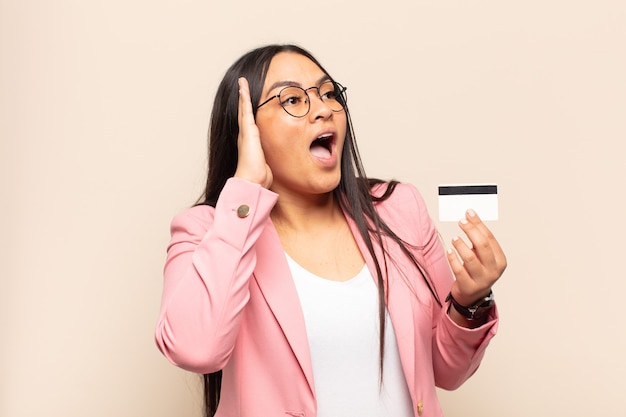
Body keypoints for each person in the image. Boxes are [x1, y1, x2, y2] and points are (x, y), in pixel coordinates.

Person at [154, 44, 507, 417]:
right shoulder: (211, 231)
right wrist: (245, 190)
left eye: (328, 93)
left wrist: (470, 302)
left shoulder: (399, 209)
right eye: (292, 99)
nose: (323, 109)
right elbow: (195, 349)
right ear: (247, 131)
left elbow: (445, 371)